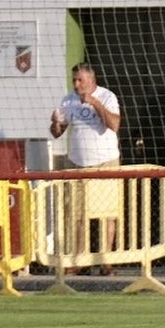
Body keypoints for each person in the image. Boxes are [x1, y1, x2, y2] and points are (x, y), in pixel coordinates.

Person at [49, 62, 121, 275]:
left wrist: (94, 103)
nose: (76, 84)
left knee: (108, 213)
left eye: (80, 80)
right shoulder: (68, 99)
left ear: (92, 80)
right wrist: (55, 123)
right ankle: (79, 259)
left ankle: (106, 261)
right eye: (74, 80)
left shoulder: (107, 96)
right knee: (77, 214)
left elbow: (115, 125)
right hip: (78, 164)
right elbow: (57, 132)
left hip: (105, 163)